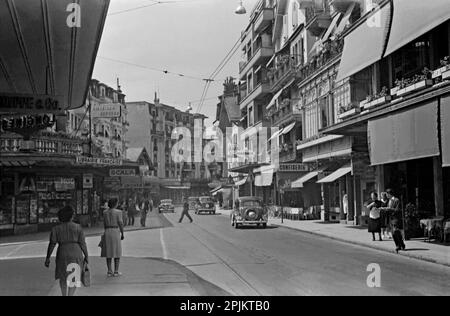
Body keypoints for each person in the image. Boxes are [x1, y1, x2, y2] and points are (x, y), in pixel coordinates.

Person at [45, 206, 88, 296]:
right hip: (76, 252)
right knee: (74, 277)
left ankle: (64, 295)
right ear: (71, 216)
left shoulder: (56, 229)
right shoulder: (78, 227)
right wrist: (86, 256)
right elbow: (83, 243)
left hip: (62, 252)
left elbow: (52, 244)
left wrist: (48, 258)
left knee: (63, 277)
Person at [101, 198, 124, 277]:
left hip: (107, 231)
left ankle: (109, 271)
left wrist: (105, 231)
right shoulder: (119, 212)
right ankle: (116, 271)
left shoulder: (105, 212)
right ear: (115, 204)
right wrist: (122, 233)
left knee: (109, 252)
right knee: (117, 252)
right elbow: (120, 223)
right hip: (115, 231)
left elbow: (104, 223)